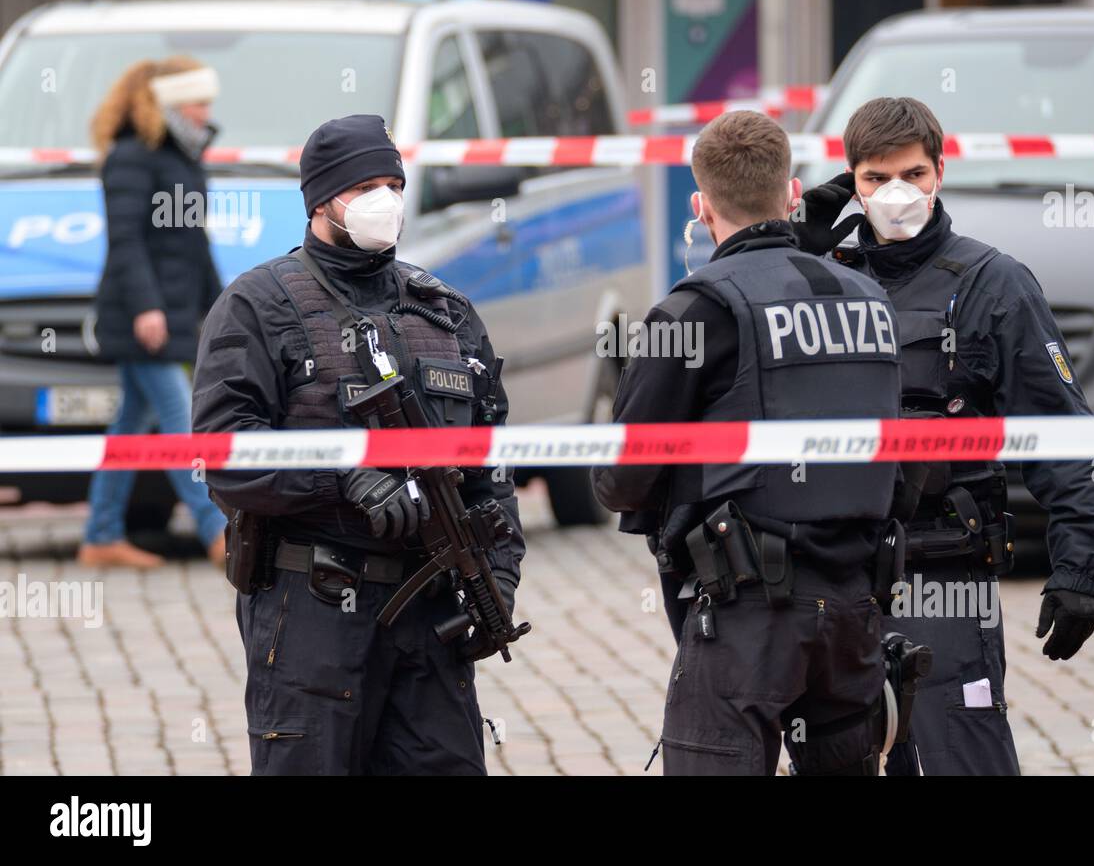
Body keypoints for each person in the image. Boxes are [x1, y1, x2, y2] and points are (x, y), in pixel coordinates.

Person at [795, 96, 1094, 775]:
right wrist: (793, 240)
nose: (895, 193)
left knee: (957, 757)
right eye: (874, 178)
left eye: (912, 174)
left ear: (940, 172)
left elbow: (1059, 429)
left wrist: (1081, 567)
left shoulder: (989, 282)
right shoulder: (818, 280)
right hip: (835, 573)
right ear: (849, 183)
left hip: (944, 571)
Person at [191, 114, 525, 775]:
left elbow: (490, 462)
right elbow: (224, 451)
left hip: (428, 616)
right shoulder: (257, 306)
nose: (385, 200)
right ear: (321, 202)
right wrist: (343, 476)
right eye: (365, 185)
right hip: (313, 609)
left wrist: (500, 576)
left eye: (393, 183)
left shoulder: (446, 310)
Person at [592, 111, 902, 775]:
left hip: (748, 617)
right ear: (792, 194)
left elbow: (621, 477)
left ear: (701, 209)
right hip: (855, 613)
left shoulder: (694, 309)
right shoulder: (868, 300)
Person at [80, 57, 228, 569]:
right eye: (198, 101)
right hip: (140, 318)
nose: (206, 111)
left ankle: (100, 535)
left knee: (128, 427)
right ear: (167, 103)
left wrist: (221, 305)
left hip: (171, 313)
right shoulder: (130, 157)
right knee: (179, 419)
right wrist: (147, 307)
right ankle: (219, 531)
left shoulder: (184, 158)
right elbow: (126, 242)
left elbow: (194, 242)